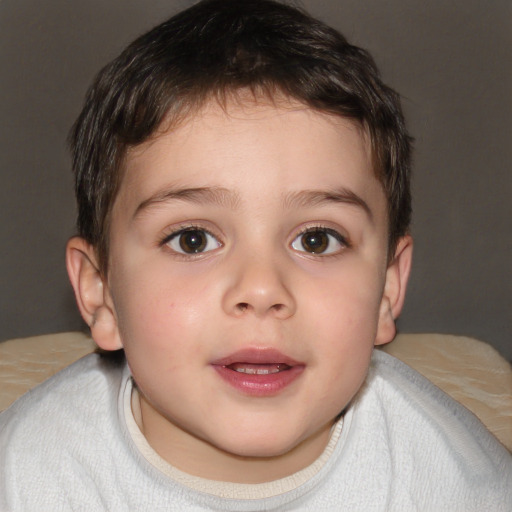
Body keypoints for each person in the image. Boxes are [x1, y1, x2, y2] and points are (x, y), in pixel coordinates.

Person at [0, 0, 510, 510]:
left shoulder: (462, 486)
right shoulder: (27, 475)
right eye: (193, 239)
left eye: (317, 239)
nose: (262, 289)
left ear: (387, 288)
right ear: (100, 293)